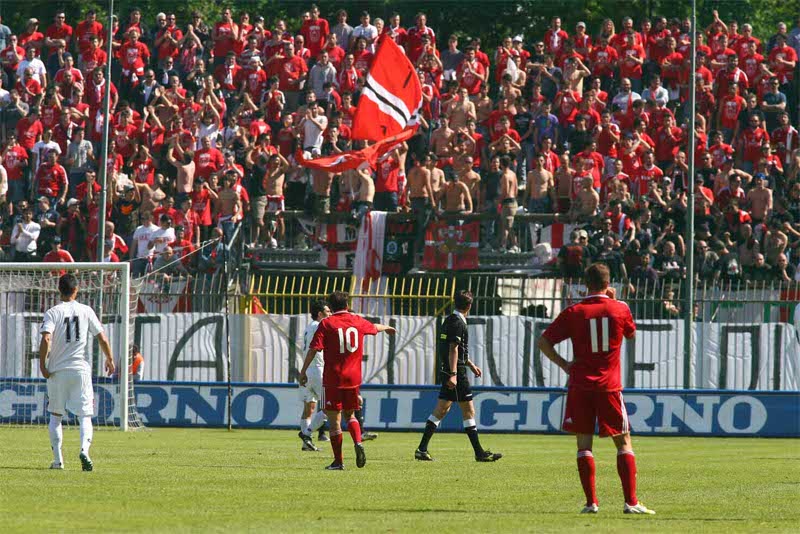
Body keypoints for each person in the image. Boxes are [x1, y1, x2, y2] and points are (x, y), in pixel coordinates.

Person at [537, 263, 655, 515]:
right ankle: (631, 502)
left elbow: (543, 341)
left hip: (580, 385)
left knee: (584, 445)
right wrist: (616, 300)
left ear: (585, 284)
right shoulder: (620, 308)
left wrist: (565, 365)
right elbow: (631, 335)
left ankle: (591, 503)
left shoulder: (574, 311)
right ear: (608, 283)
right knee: (623, 443)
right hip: (609, 386)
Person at [298, 291, 396, 470]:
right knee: (350, 415)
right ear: (347, 306)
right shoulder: (357, 320)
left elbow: (314, 349)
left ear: (332, 307)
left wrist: (303, 371)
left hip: (333, 377)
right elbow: (373, 327)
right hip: (353, 378)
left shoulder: (327, 323)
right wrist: (387, 328)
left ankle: (338, 461)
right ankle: (358, 442)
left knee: (334, 421)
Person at [39, 273, 115, 471]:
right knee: (85, 416)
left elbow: (46, 339)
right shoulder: (86, 310)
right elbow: (102, 338)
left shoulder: (52, 312)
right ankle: (84, 450)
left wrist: (42, 365)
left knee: (55, 416)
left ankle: (58, 461)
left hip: (57, 371)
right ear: (76, 290)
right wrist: (110, 359)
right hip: (80, 370)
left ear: (58, 290)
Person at [415, 290, 502, 462]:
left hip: (450, 370)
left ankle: (422, 449)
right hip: (456, 373)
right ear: (469, 305)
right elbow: (453, 349)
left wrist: (471, 364)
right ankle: (479, 453)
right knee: (469, 411)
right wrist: (454, 374)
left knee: (441, 410)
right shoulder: (458, 323)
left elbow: (456, 349)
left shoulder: (449, 320)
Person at [298, 300, 332, 452]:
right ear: (320, 314)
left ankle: (307, 444)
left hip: (307, 370)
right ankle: (306, 434)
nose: (330, 314)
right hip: (318, 369)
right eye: (328, 311)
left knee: (308, 408)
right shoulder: (320, 325)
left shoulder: (308, 327)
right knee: (329, 408)